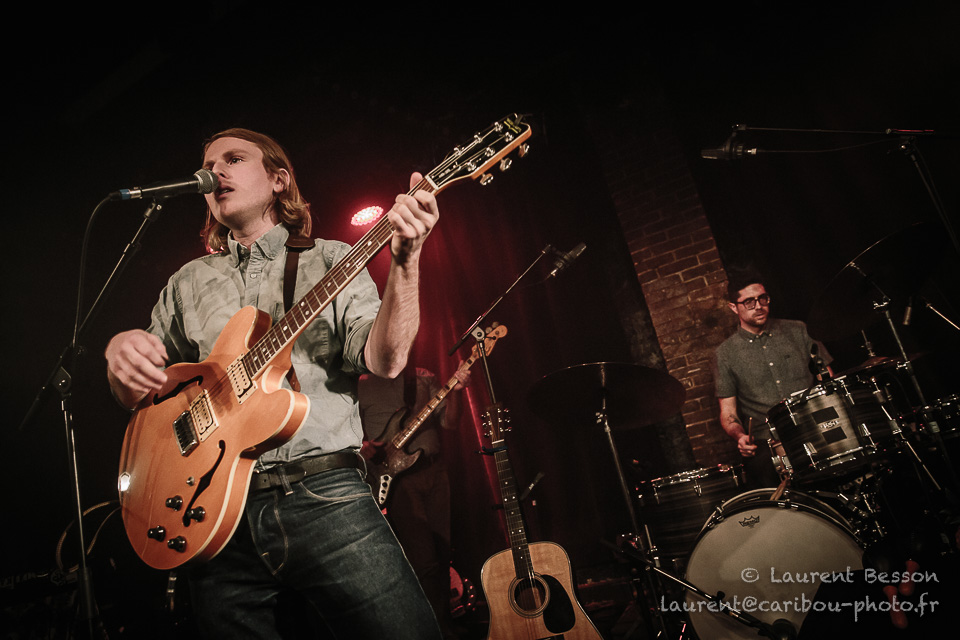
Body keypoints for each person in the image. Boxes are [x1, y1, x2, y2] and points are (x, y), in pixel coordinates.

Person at [104, 128, 442, 639]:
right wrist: (119, 359)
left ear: (279, 180)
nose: (215, 172)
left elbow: (386, 360)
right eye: (208, 165)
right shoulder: (186, 283)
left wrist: (405, 260)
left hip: (324, 494)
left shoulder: (332, 258)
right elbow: (139, 393)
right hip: (216, 514)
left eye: (233, 159)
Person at [358, 364, 469, 639]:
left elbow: (450, 423)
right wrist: (363, 446)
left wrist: (456, 392)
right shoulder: (359, 384)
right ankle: (433, 632)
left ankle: (443, 626)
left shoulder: (422, 377)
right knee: (423, 561)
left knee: (442, 555)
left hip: (434, 471)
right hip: (397, 481)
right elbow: (346, 432)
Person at [714, 276, 831, 488]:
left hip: (814, 424)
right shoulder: (725, 354)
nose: (759, 306)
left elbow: (829, 379)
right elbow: (728, 412)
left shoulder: (798, 330)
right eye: (749, 302)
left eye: (763, 298)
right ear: (733, 307)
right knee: (760, 473)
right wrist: (740, 436)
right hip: (767, 440)